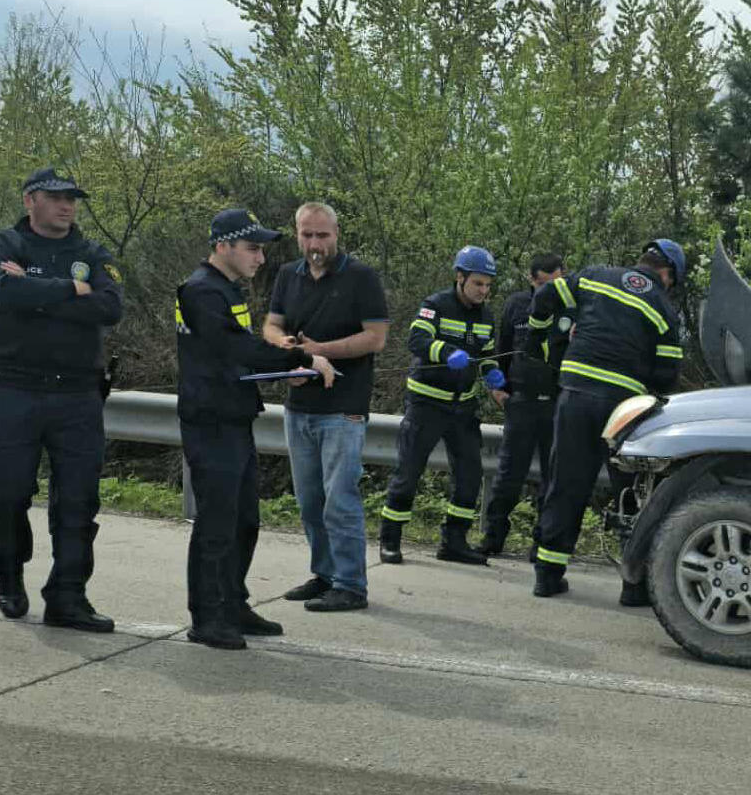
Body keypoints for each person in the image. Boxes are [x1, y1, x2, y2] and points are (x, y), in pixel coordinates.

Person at [176, 210, 337, 650]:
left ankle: (232, 603)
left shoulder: (227, 289)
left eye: (262, 248)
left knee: (245, 520)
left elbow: (235, 359)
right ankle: (207, 617)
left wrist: (278, 373)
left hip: (234, 416)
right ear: (223, 246)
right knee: (216, 522)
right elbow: (231, 345)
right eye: (252, 247)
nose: (261, 257)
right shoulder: (200, 290)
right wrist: (298, 359)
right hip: (211, 422)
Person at [0, 168, 125, 630]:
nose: (67, 206)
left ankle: (68, 596)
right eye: (56, 197)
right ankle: (8, 572)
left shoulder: (91, 252)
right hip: (15, 390)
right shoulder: (3, 247)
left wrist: (36, 295)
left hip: (77, 394)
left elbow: (110, 306)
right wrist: (71, 290)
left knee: (79, 501)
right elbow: (5, 289)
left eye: (72, 199)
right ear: (30, 201)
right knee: (8, 494)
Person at [524, 239, 686, 601]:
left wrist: (539, 337)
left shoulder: (596, 276)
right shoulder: (663, 307)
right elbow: (666, 374)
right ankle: (634, 585)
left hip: (576, 395)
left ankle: (547, 575)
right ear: (667, 274)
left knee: (566, 483)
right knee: (631, 493)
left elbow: (546, 296)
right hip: (625, 409)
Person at [263, 202, 389, 613]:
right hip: (299, 406)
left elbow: (375, 338)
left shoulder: (361, 277)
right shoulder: (287, 275)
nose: (314, 244)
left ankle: (351, 584)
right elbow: (271, 324)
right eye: (307, 235)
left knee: (341, 500)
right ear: (297, 234)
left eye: (322, 235)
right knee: (310, 500)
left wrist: (318, 352)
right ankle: (325, 574)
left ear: (337, 233)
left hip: (343, 408)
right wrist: (288, 351)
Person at [378, 246, 506, 566]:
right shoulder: (435, 305)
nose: (483, 291)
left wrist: (493, 374)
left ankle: (454, 541)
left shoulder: (487, 317)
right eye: (478, 283)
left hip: (462, 408)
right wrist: (447, 352)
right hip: (426, 404)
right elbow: (417, 340)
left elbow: (486, 355)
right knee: (409, 472)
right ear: (460, 277)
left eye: (488, 285)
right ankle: (390, 539)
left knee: (470, 475)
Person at [478, 251, 569, 557]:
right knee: (508, 475)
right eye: (544, 284)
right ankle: (493, 538)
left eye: (556, 283)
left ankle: (542, 543)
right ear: (532, 280)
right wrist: (497, 389)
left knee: (551, 478)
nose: (550, 290)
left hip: (557, 404)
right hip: (521, 401)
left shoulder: (573, 307)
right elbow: (501, 348)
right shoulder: (516, 304)